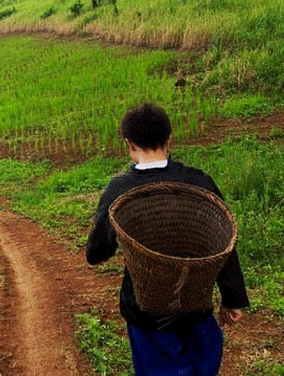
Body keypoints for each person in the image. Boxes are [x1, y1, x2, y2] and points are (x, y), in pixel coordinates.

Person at [85, 103, 249, 376]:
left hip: (146, 312)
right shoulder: (198, 181)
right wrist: (233, 298)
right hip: (197, 307)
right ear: (169, 139)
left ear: (129, 143)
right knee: (203, 367)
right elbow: (224, 241)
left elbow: (96, 252)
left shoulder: (121, 188)